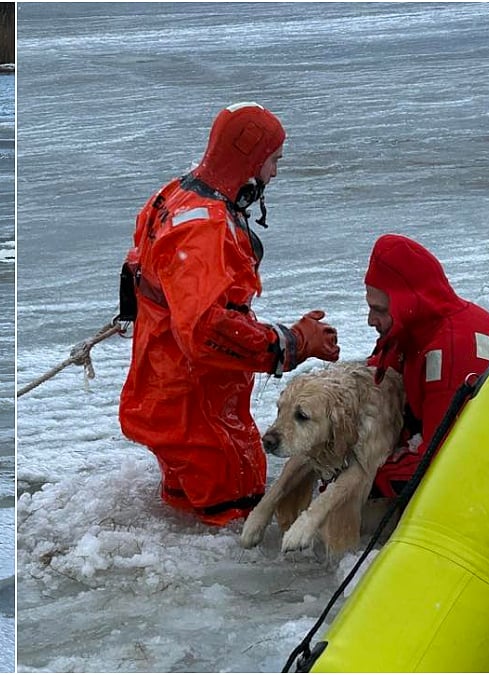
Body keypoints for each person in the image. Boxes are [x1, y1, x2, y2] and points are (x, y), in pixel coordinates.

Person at [119, 102, 341, 527]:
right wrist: (293, 342)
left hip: (163, 393)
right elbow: (205, 332)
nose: (276, 172)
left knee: (187, 516)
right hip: (199, 412)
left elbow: (136, 266)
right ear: (250, 159)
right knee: (235, 522)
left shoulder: (175, 195)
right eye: (273, 161)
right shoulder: (209, 229)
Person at [364, 233, 489, 498]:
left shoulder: (453, 352)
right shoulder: (411, 331)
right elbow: (374, 378)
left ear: (406, 302)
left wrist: (363, 477)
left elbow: (441, 463)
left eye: (379, 310)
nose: (370, 320)